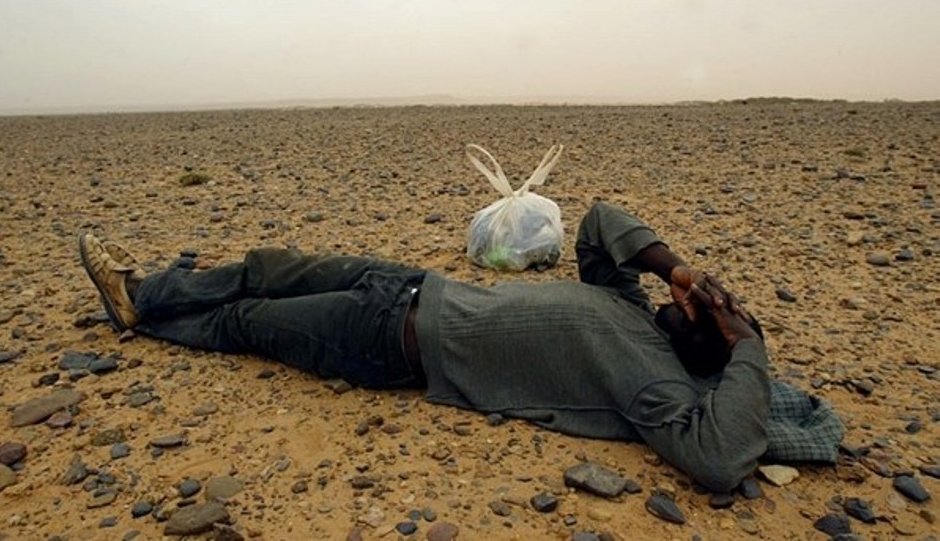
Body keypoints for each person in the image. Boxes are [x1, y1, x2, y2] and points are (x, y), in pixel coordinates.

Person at [78, 201, 843, 492]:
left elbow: (719, 458)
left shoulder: (656, 390)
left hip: (393, 343)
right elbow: (601, 221)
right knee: (267, 269)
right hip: (410, 285)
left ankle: (139, 314)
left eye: (708, 318)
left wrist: (748, 345)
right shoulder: (630, 304)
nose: (694, 309)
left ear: (717, 357)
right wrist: (677, 270)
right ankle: (144, 290)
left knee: (249, 323)